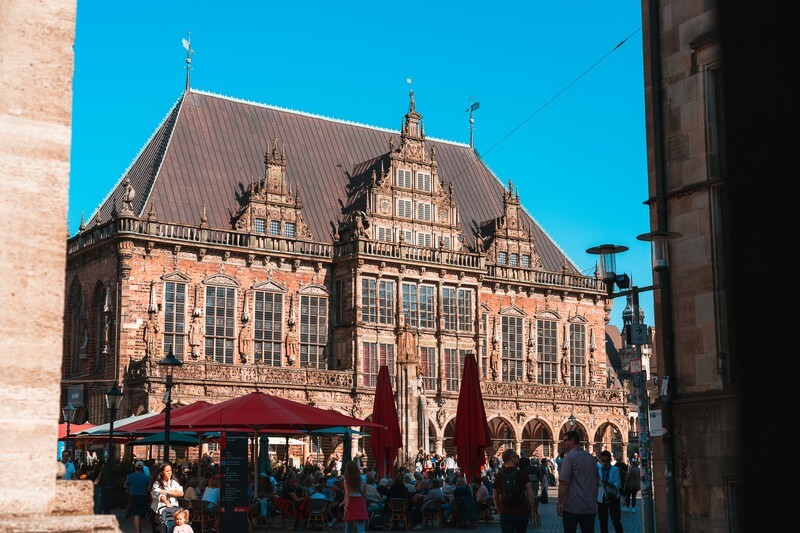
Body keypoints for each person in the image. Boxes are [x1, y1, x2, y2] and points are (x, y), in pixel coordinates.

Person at [556, 431, 599, 533]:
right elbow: (597, 481)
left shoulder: (569, 458)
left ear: (572, 441)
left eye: (565, 440)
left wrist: (559, 502)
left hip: (572, 507)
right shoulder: (591, 459)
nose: (564, 443)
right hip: (589, 506)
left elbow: (563, 482)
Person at [493, 449, 537, 533]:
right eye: (517, 456)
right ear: (512, 458)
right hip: (521, 511)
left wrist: (499, 509)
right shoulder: (522, 474)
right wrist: (531, 510)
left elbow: (495, 497)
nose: (518, 459)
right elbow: (531, 495)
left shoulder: (498, 476)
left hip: (505, 512)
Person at [151, 462, 184, 533]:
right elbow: (160, 496)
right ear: (161, 473)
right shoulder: (157, 484)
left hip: (173, 512)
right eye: (167, 471)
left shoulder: (174, 483)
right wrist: (166, 502)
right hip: (159, 512)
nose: (169, 473)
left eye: (170, 471)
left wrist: (168, 492)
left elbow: (180, 493)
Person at [596, 450, 624, 533]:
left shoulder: (614, 469)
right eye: (602, 461)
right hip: (602, 497)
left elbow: (618, 484)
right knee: (602, 521)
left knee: (616, 520)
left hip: (613, 497)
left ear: (609, 460)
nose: (604, 463)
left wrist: (609, 484)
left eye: (606, 461)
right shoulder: (599, 469)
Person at [124, 460, 151, 533]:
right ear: (142, 468)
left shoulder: (131, 476)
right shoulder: (146, 477)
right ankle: (139, 528)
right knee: (142, 515)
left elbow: (125, 485)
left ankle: (137, 531)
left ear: (135, 468)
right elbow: (149, 488)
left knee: (135, 514)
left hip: (134, 496)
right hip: (143, 497)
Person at [343, 459, 368, 533]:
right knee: (360, 526)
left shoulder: (346, 480)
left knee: (348, 527)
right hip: (360, 501)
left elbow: (347, 495)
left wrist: (346, 507)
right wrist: (365, 503)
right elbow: (364, 493)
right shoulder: (362, 479)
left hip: (350, 502)